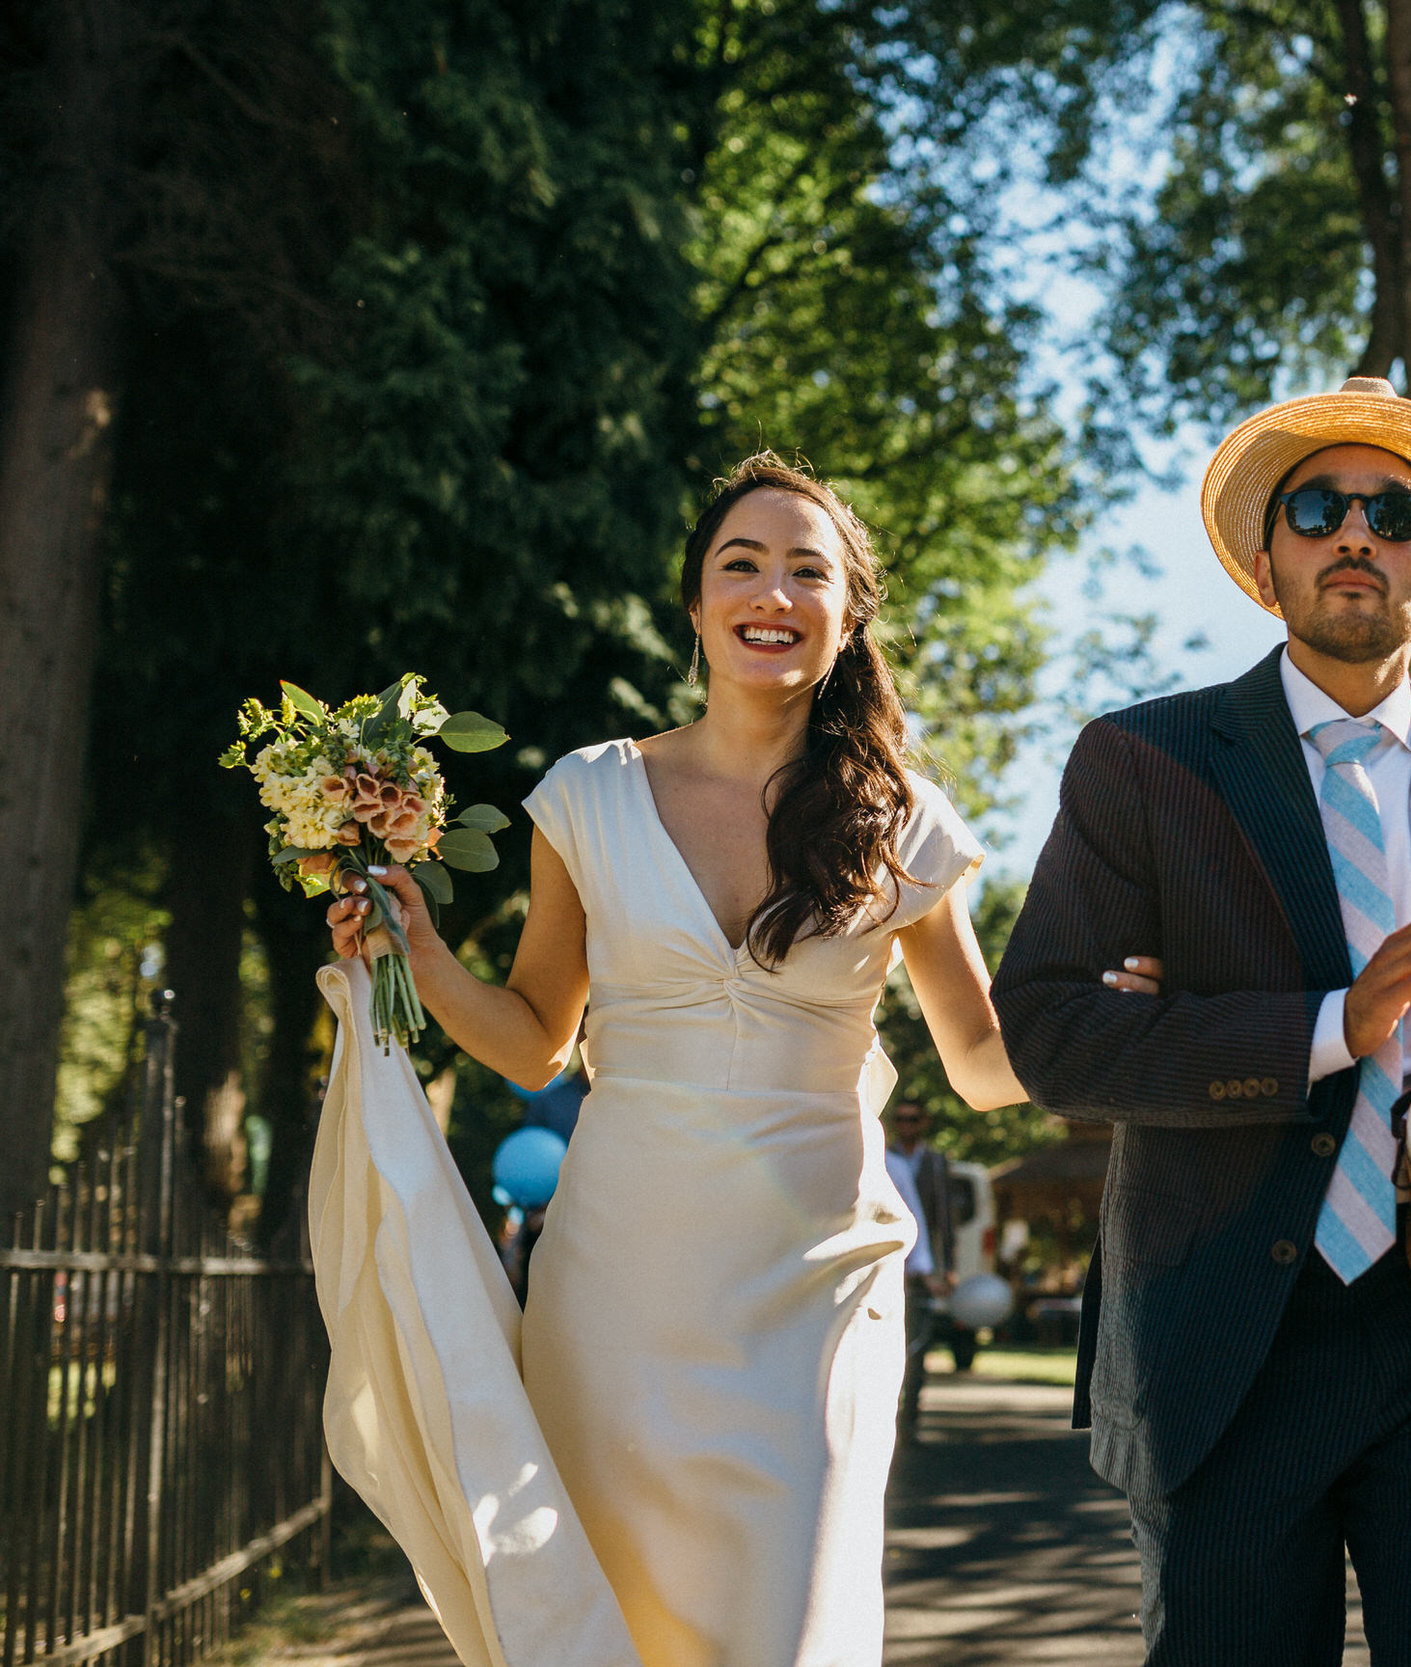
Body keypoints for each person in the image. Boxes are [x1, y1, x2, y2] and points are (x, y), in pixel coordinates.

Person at [322, 454, 1119, 1667]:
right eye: (739, 563)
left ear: (846, 618)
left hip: (818, 1285)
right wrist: (421, 951)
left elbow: (980, 1060)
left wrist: (1111, 1018)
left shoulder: (903, 813)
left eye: (810, 570)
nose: (773, 591)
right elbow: (537, 1032)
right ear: (695, 605)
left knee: (792, 1632)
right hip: (617, 1289)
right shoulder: (588, 794)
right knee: (612, 1625)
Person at [994, 377, 1411, 1666]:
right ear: (1268, 561)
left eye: (1393, 511)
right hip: (1225, 1354)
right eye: (1318, 507)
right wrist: (1330, 1020)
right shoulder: (1141, 761)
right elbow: (1049, 1030)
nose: (1352, 533)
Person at [882, 1101, 953, 1436]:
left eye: (912, 1119)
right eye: (900, 1119)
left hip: (922, 1264)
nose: (905, 1125)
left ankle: (909, 1418)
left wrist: (945, 1268)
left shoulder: (935, 1163)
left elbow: (943, 1220)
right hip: (889, 1263)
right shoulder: (883, 1158)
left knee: (916, 1344)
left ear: (922, 1122)